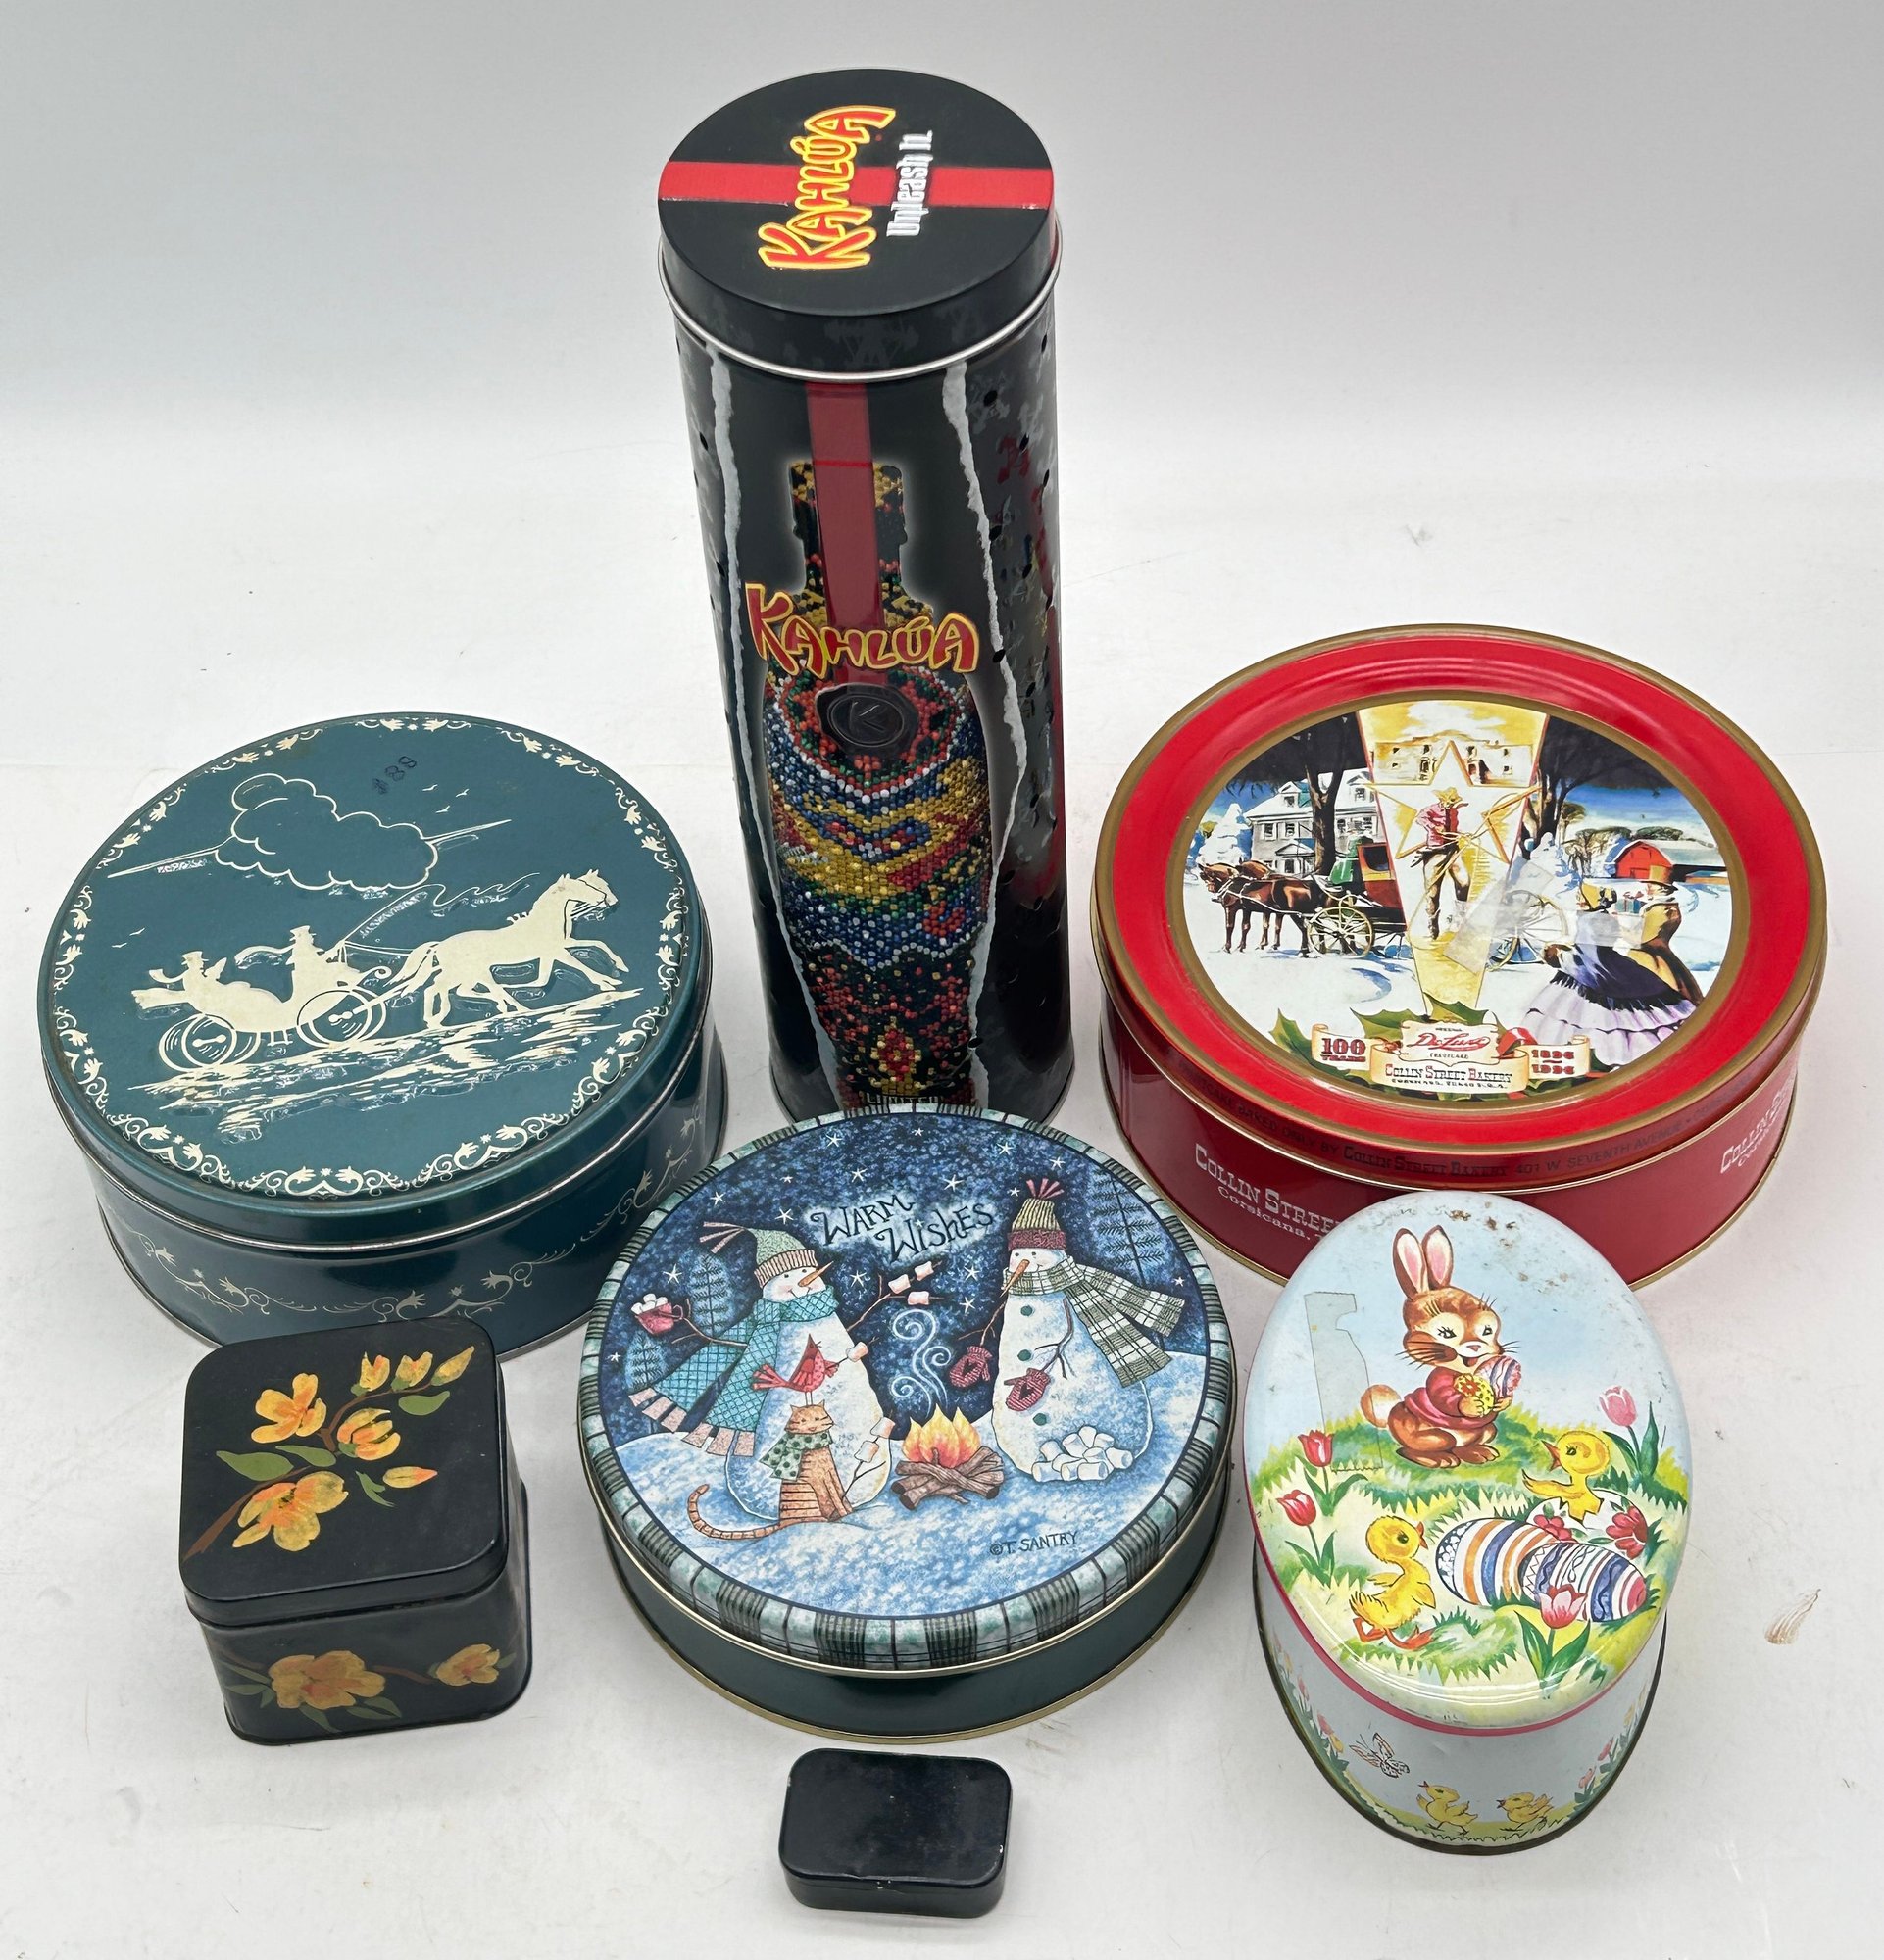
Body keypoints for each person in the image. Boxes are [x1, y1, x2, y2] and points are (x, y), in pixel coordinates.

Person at [1518, 880, 1698, 1070]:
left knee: (1588, 1015)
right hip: (1603, 964)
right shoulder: (1597, 917)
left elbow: (1592, 957)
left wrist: (1562, 957)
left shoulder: (1593, 920)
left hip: (1596, 969)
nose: (1578, 899)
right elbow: (1590, 951)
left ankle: (1606, 1058)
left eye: (1583, 895)